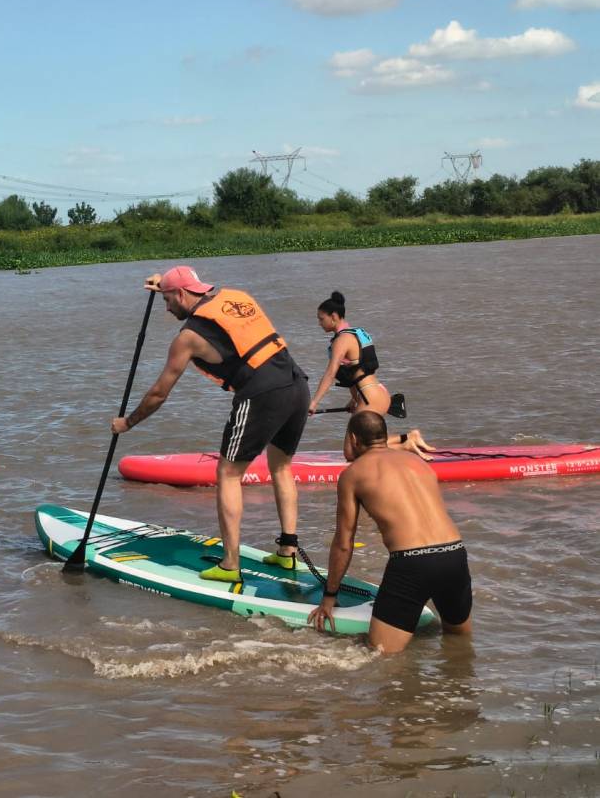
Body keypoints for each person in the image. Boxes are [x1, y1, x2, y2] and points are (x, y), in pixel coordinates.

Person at [110, 266, 310, 584]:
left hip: (263, 394)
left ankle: (230, 565)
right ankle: (287, 552)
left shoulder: (188, 338)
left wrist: (128, 422)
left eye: (167, 301)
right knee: (281, 467)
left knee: (228, 474)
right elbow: (196, 296)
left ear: (180, 294)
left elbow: (159, 393)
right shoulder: (236, 297)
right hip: (297, 383)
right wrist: (165, 284)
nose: (166, 308)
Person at [307, 411, 473, 654]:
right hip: (454, 554)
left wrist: (329, 597)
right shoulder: (417, 462)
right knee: (458, 643)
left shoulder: (353, 475)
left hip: (412, 562)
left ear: (353, 439)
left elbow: (344, 542)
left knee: (382, 655)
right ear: (385, 437)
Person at [307, 290, 436, 461]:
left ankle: (406, 446)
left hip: (369, 399)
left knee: (351, 453)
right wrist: (354, 400)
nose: (319, 323)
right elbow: (358, 372)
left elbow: (330, 374)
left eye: (321, 319)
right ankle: (408, 437)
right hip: (377, 393)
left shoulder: (342, 340)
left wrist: (314, 402)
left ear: (334, 316)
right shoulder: (358, 333)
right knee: (365, 445)